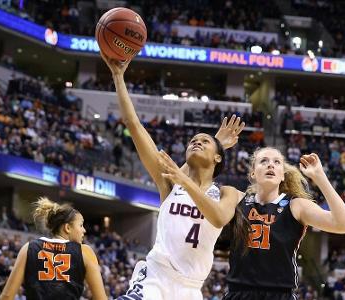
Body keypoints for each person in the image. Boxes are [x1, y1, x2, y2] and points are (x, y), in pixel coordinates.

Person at [100, 51, 244, 300]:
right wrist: (118, 76)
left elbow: (220, 218)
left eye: (204, 141)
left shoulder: (225, 192)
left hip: (190, 288)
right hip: (156, 277)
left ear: (219, 156)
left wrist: (214, 146)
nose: (196, 143)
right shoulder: (169, 182)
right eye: (192, 141)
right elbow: (134, 125)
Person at [159, 147, 345, 300]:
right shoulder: (236, 198)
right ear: (252, 173)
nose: (271, 165)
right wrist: (184, 178)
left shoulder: (296, 206)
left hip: (280, 294)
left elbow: (344, 224)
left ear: (282, 174)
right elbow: (211, 207)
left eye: (277, 162)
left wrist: (320, 177)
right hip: (238, 292)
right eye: (264, 161)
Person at [0, 197, 107, 300]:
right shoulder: (85, 252)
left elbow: (6, 296)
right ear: (67, 228)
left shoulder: (28, 248)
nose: (84, 230)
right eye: (81, 225)